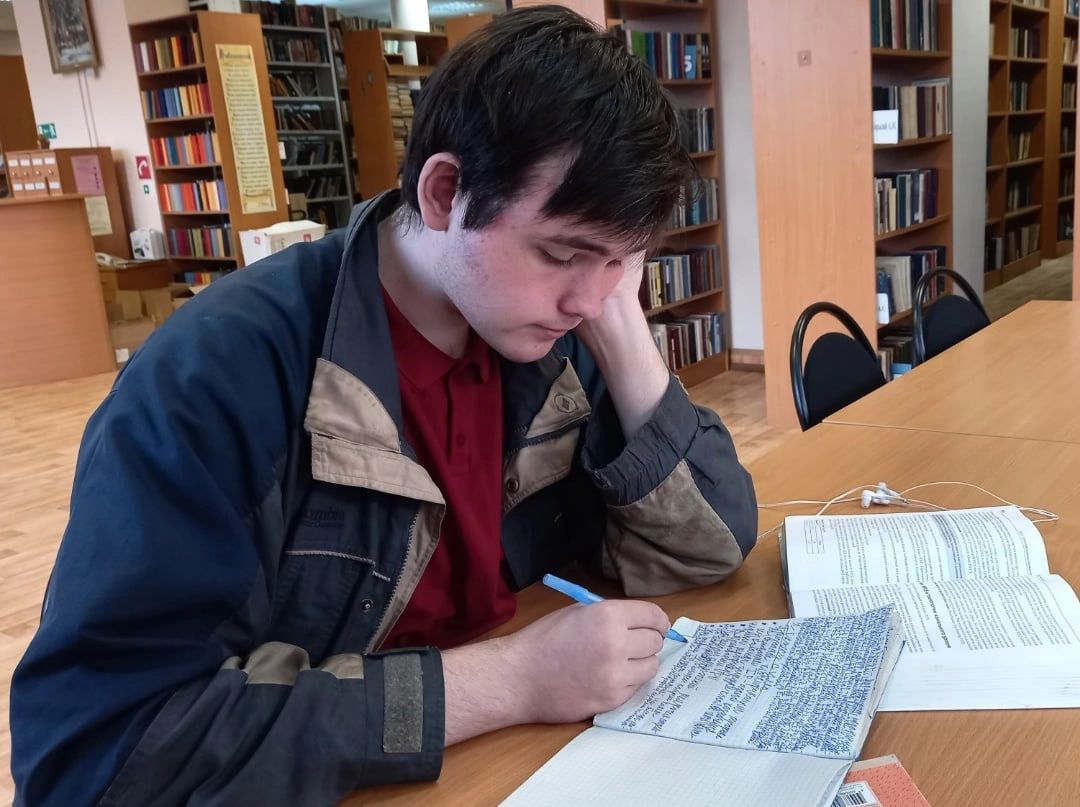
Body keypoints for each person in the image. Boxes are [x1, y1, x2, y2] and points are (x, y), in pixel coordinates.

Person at [10, 6, 757, 805]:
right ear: (444, 192)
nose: (588, 298)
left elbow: (710, 545)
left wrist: (622, 327)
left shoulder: (550, 334)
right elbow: (92, 757)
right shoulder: (215, 376)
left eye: (622, 261)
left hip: (510, 765)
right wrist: (511, 679)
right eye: (562, 253)